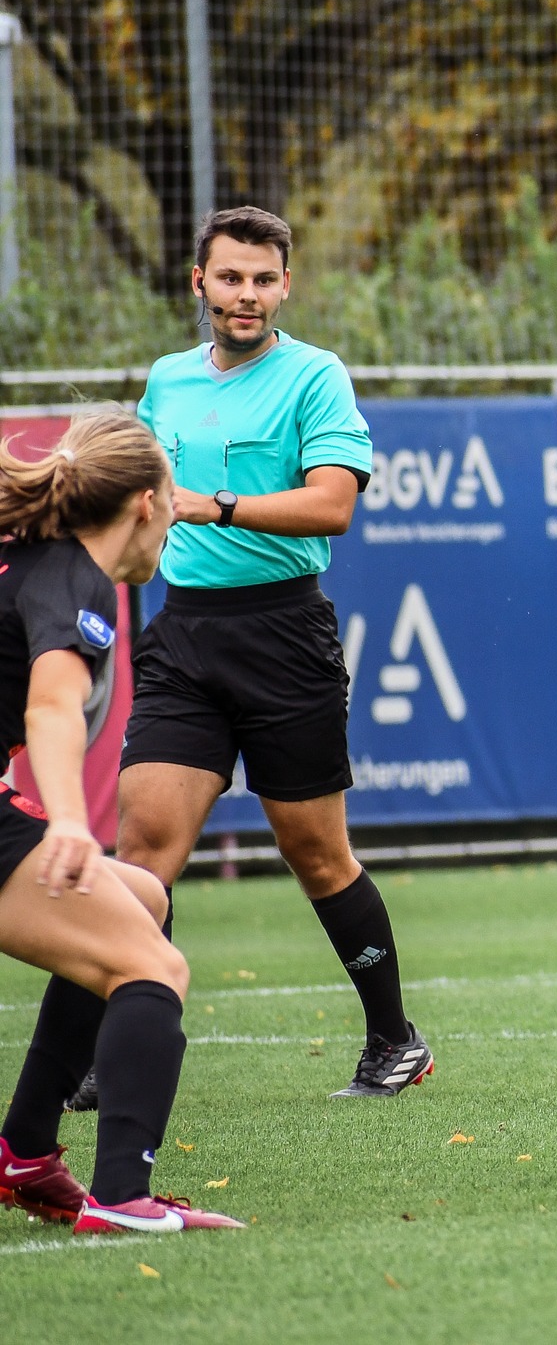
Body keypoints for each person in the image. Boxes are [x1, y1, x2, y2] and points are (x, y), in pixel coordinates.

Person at [107, 206, 430, 1100]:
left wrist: (217, 503)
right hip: (181, 633)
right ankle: (106, 1047)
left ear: (284, 285)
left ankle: (394, 1038)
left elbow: (332, 507)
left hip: (284, 634)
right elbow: (135, 494)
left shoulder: (315, 376)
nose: (245, 294)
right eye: (230, 277)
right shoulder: (168, 380)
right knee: (140, 850)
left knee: (315, 852)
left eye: (262, 278)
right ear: (198, 282)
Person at [0, 410, 242, 1232]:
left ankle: (26, 1150)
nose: (177, 518)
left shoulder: (32, 557)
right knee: (153, 969)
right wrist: (69, 816)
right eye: (173, 501)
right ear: (143, 503)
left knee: (141, 897)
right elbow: (53, 703)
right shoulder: (79, 581)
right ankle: (122, 1200)